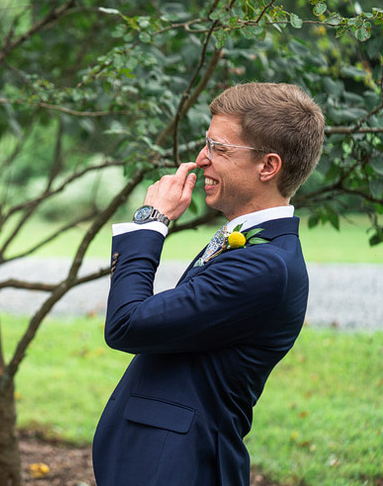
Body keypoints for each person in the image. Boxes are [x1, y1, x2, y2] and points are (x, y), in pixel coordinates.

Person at [92, 82, 325, 485]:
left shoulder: (267, 266)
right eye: (207, 144)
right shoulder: (252, 244)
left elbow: (127, 324)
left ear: (268, 167)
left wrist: (149, 223)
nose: (202, 159)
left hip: (180, 467)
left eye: (219, 148)